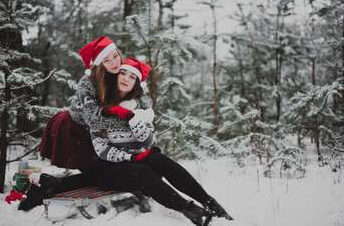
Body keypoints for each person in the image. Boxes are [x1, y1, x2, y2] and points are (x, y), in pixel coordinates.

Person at [21, 57, 234, 226]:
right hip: (107, 167)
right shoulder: (102, 107)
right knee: (143, 172)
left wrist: (134, 121)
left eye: (131, 76)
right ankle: (193, 212)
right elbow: (102, 149)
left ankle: (210, 203)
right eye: (121, 73)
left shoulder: (140, 107)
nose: (124, 78)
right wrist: (133, 156)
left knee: (159, 159)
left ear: (136, 84)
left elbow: (148, 139)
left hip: (127, 162)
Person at [18, 36, 151, 210]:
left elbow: (144, 98)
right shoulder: (88, 82)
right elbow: (93, 119)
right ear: (99, 63)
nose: (113, 62)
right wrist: (130, 120)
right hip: (74, 130)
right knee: (100, 176)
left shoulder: (122, 73)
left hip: (95, 134)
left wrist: (136, 105)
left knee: (105, 175)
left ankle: (49, 183)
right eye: (106, 60)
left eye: (115, 56)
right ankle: (43, 189)